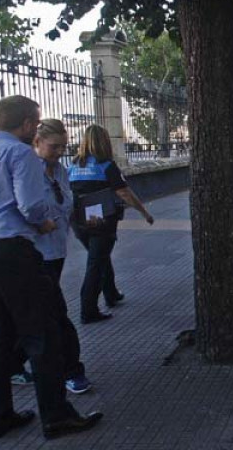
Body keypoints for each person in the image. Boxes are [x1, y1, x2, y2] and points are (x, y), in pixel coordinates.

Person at [0, 95, 102, 440]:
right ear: (30, 124)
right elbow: (31, 205)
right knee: (40, 332)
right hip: (11, 250)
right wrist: (42, 224)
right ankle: (56, 415)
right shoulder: (20, 155)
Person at [9, 119, 93, 394]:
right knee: (56, 313)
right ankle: (71, 370)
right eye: (54, 146)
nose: (59, 152)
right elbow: (24, 207)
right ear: (37, 142)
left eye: (63, 147)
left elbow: (66, 204)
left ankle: (13, 362)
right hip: (34, 252)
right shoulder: (25, 170)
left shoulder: (60, 171)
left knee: (38, 311)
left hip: (56, 250)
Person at [69, 124, 154, 323]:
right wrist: (144, 212)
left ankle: (111, 292)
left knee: (99, 255)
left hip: (78, 220)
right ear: (104, 142)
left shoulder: (73, 165)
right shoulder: (106, 165)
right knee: (96, 263)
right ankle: (88, 310)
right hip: (100, 219)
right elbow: (124, 192)